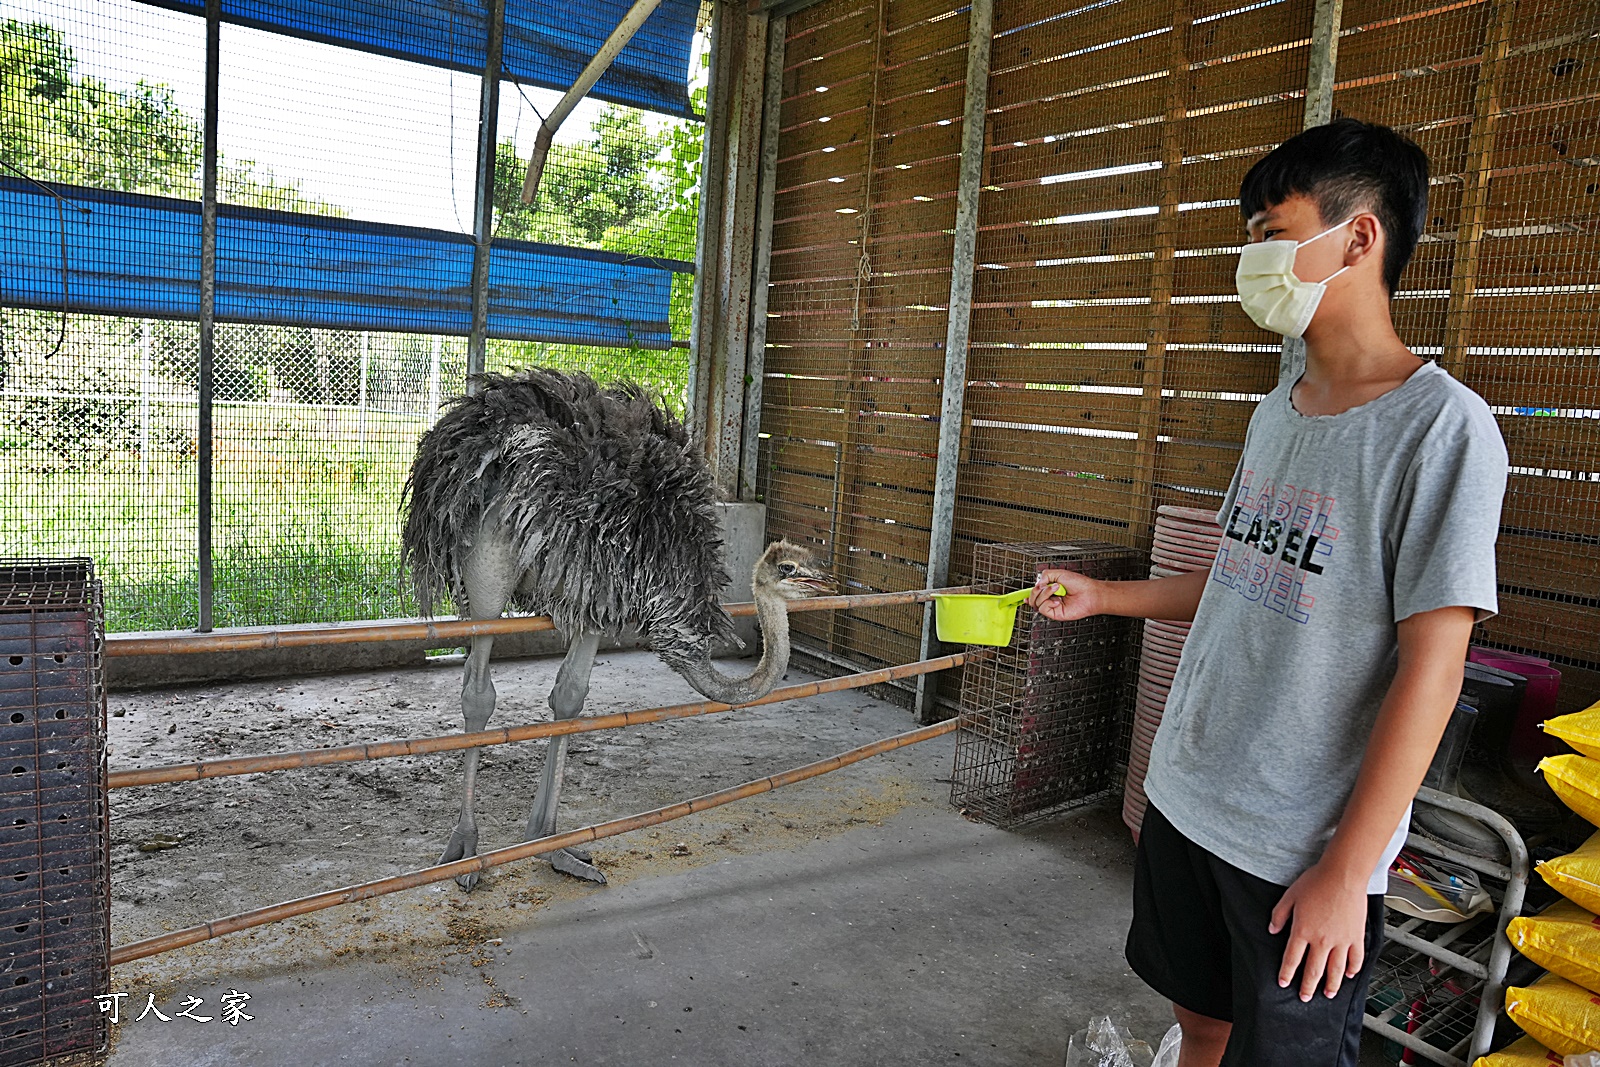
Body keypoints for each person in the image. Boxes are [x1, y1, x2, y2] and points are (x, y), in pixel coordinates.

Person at [1027, 119, 1507, 1066]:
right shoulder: (1278, 408)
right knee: (1201, 1019)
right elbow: (1251, 576)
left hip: (1297, 841)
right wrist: (1104, 598)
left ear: (1359, 237)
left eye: (1270, 231)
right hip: (1190, 788)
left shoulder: (1442, 430)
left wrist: (1344, 868)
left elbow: (1434, 668)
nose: (1252, 258)